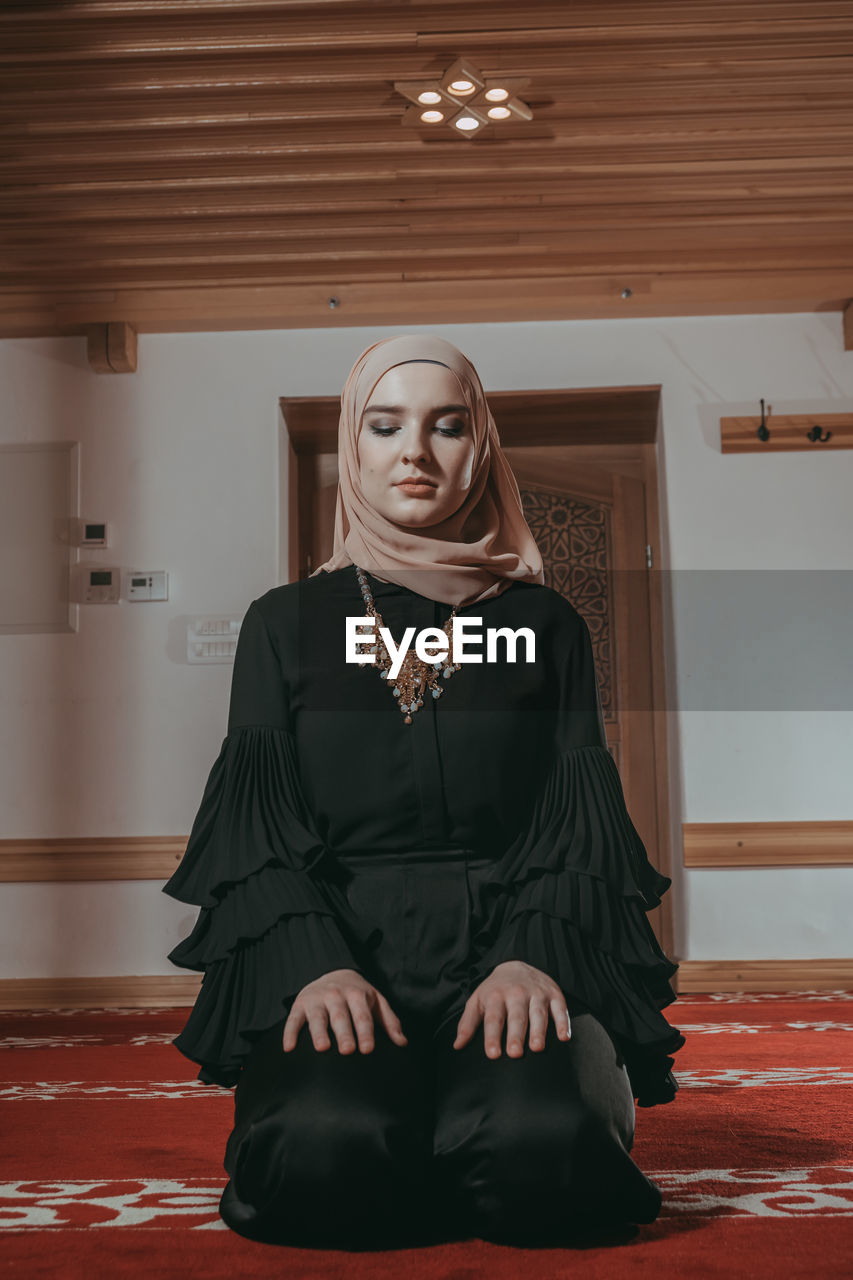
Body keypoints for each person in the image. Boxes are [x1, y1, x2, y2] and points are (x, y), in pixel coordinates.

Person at [162, 333, 685, 1249]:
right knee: (323, 1156)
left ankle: (472, 1127)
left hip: (513, 947)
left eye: (447, 427)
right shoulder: (283, 625)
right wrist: (314, 964)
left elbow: (577, 823)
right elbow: (260, 825)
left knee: (546, 1154)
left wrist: (529, 957)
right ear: (352, 447)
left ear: (478, 447)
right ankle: (424, 1131)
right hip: (342, 953)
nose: (414, 453)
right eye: (384, 426)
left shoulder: (543, 624)